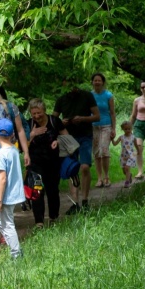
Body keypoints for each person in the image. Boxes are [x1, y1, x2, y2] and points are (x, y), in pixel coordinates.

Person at [54, 76, 100, 214]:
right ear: (64, 83)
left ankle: (85, 200)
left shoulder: (87, 96)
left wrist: (83, 118)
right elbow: (53, 119)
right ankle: (75, 203)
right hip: (67, 137)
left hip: (85, 135)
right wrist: (62, 122)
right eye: (68, 83)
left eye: (74, 83)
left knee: (85, 167)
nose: (71, 86)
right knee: (71, 169)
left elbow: (97, 116)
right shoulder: (61, 99)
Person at [26, 98, 68, 226]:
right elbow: (22, 146)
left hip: (53, 162)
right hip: (35, 163)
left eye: (39, 113)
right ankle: (39, 222)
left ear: (44, 111)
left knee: (52, 190)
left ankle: (53, 218)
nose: (37, 116)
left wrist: (58, 141)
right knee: (37, 191)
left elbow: (66, 137)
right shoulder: (28, 124)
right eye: (34, 113)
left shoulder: (54, 121)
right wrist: (32, 134)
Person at [0, 119, 25, 259]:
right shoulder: (14, 150)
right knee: (3, 222)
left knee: (6, 224)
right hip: (13, 194)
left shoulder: (0, 155)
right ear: (12, 134)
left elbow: (2, 179)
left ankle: (16, 253)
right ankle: (15, 251)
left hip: (5, 196)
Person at [91, 73, 116, 187]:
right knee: (96, 152)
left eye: (99, 80)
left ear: (103, 82)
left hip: (106, 125)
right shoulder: (90, 95)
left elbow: (112, 112)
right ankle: (99, 178)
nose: (97, 82)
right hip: (94, 126)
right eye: (95, 80)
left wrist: (114, 128)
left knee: (104, 151)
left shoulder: (108, 95)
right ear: (92, 82)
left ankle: (107, 177)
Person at [113, 120, 137, 188]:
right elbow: (115, 144)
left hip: (131, 155)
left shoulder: (133, 137)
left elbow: (136, 145)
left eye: (129, 129)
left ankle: (127, 182)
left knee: (127, 168)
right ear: (123, 129)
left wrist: (138, 151)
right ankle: (129, 176)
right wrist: (112, 139)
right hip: (123, 156)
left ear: (131, 128)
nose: (127, 130)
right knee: (124, 170)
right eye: (126, 129)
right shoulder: (121, 137)